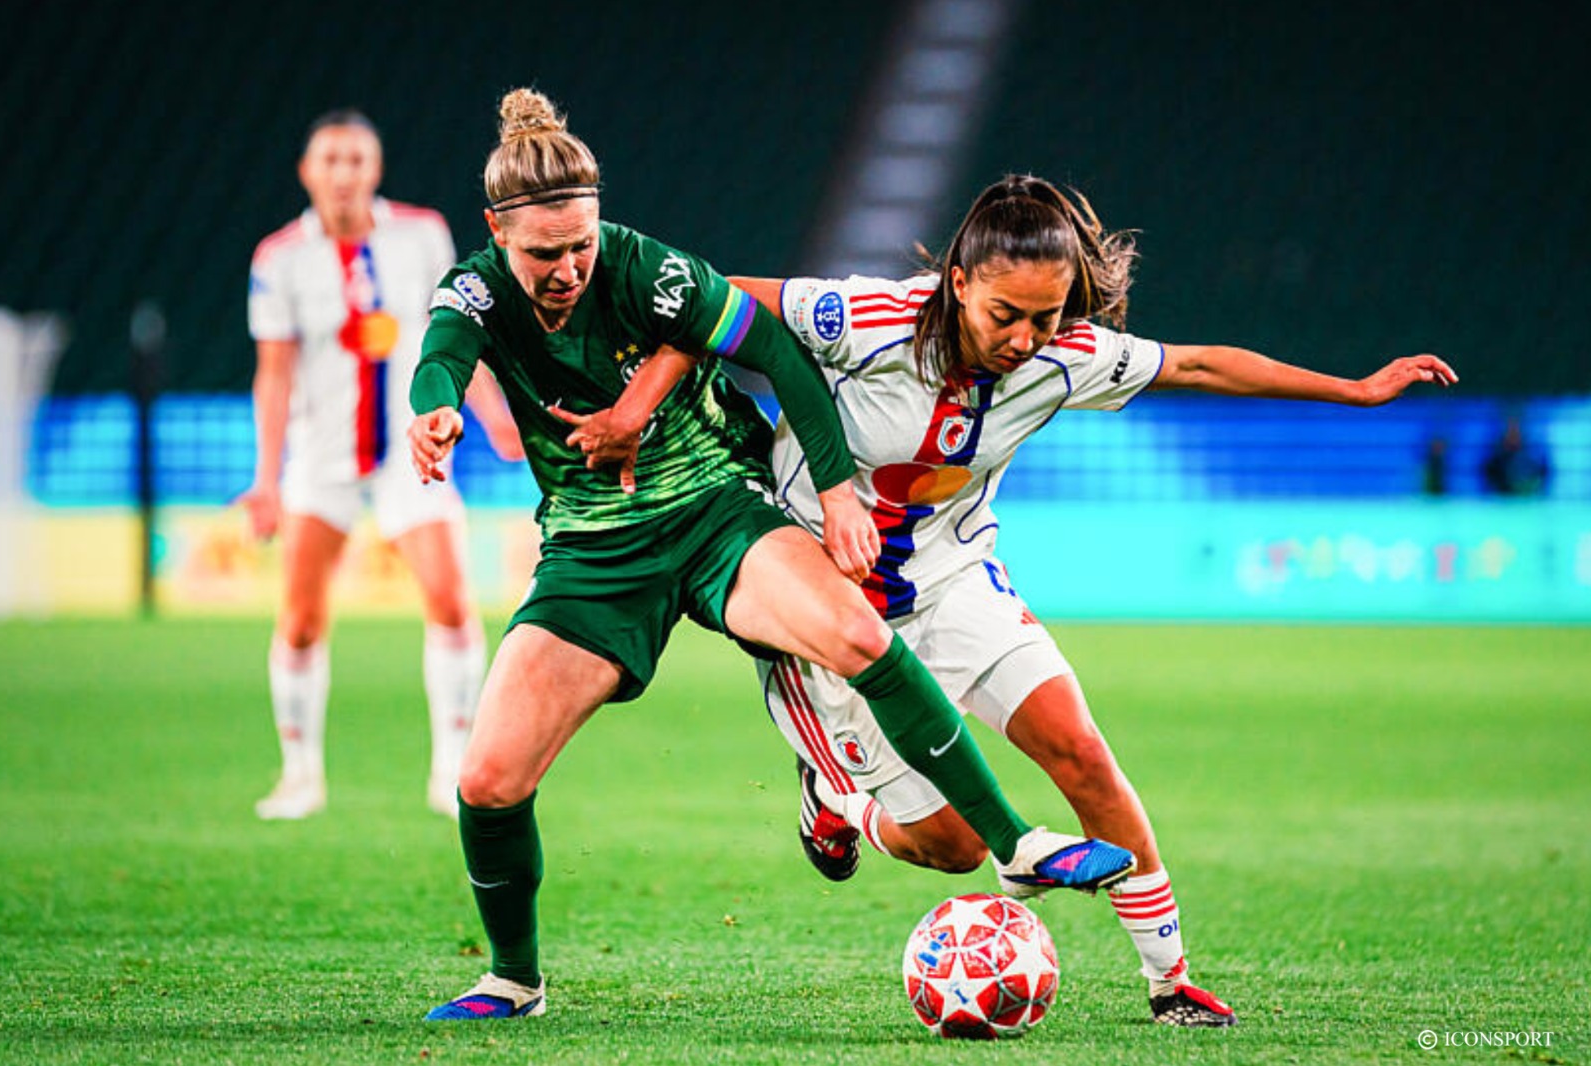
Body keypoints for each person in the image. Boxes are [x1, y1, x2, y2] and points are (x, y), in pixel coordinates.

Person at [586, 175, 1458, 1027]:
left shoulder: (1067, 354)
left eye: (1047, 315)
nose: (1026, 338)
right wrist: (632, 406)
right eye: (1007, 315)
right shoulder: (865, 318)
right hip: (830, 609)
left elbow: (1196, 363)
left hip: (957, 579)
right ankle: (838, 800)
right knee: (954, 847)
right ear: (959, 283)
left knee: (1080, 748)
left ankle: (1171, 981)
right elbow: (711, 301)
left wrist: (1355, 390)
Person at [406, 92, 1135, 1022]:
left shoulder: (647, 270)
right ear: (497, 234)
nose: (569, 268)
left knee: (856, 634)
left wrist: (835, 496)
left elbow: (780, 354)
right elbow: (442, 351)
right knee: (488, 781)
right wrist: (436, 408)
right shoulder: (471, 289)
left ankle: (1017, 840)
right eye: (545, 253)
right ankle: (513, 978)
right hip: (594, 552)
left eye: (581, 243)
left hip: (719, 509)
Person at [244, 109, 524, 821]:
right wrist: (267, 478)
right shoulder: (279, 257)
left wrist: (493, 415)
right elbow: (273, 374)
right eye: (330, 160)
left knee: (452, 603)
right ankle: (300, 774)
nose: (343, 174)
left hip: (411, 450)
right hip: (323, 458)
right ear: (308, 171)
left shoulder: (421, 234)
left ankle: (450, 770)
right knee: (302, 620)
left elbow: (454, 333)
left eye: (356, 160)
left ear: (376, 169)